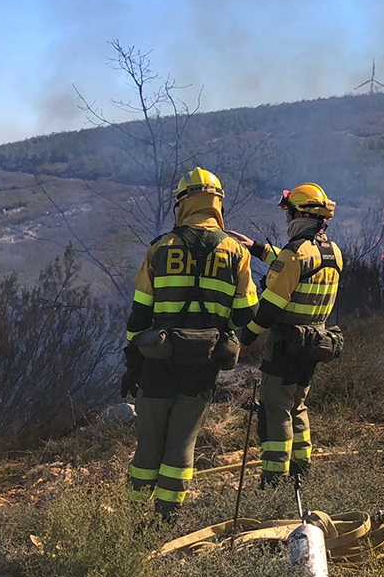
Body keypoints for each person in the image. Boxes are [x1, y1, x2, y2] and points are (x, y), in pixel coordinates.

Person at [121, 168, 256, 519]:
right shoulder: (235, 252)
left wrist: (131, 365)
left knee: (149, 442)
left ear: (183, 203)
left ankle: (134, 519)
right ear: (217, 204)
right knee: (183, 443)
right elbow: (245, 314)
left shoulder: (160, 248)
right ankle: (167, 518)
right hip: (204, 366)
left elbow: (138, 316)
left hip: (158, 363)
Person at [229, 184, 343, 489]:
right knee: (298, 407)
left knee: (275, 409)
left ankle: (273, 480)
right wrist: (256, 248)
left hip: (285, 346)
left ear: (300, 214)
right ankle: (301, 471)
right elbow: (297, 265)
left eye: (289, 212)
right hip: (315, 344)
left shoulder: (296, 253)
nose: (287, 219)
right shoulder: (332, 253)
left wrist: (246, 336)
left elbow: (270, 306)